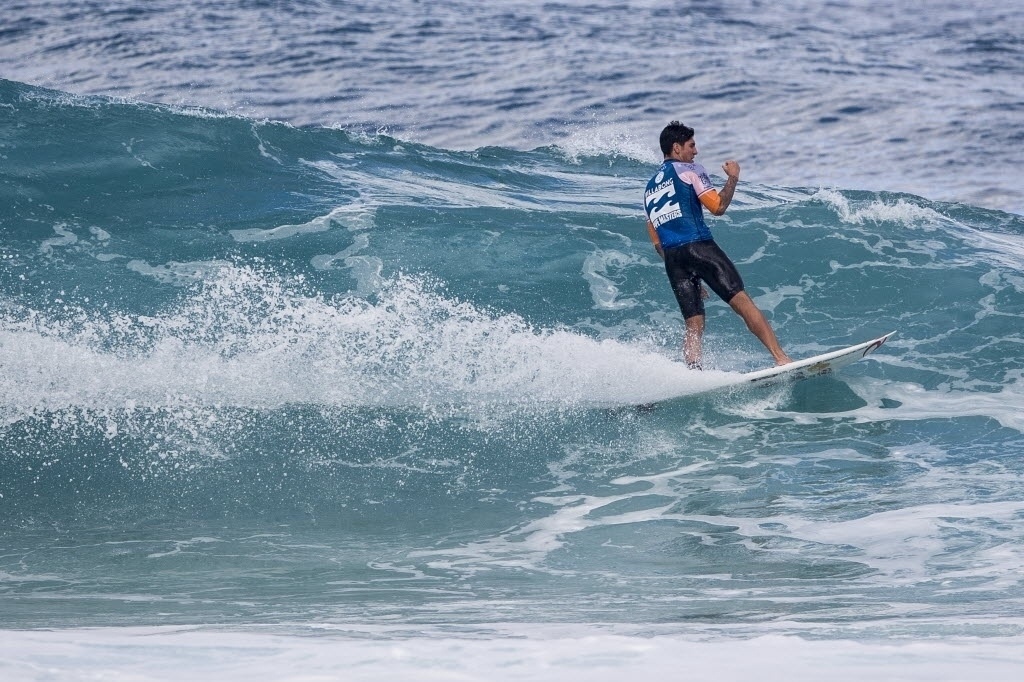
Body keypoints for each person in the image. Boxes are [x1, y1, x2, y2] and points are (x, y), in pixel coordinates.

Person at [643, 121, 791, 369]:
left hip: (673, 259)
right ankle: (781, 358)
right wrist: (733, 178)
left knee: (693, 324)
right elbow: (718, 207)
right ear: (676, 148)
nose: (696, 151)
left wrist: (689, 272)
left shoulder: (649, 189)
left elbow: (657, 243)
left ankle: (693, 372)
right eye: (691, 145)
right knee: (742, 302)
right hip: (699, 247)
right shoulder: (690, 170)